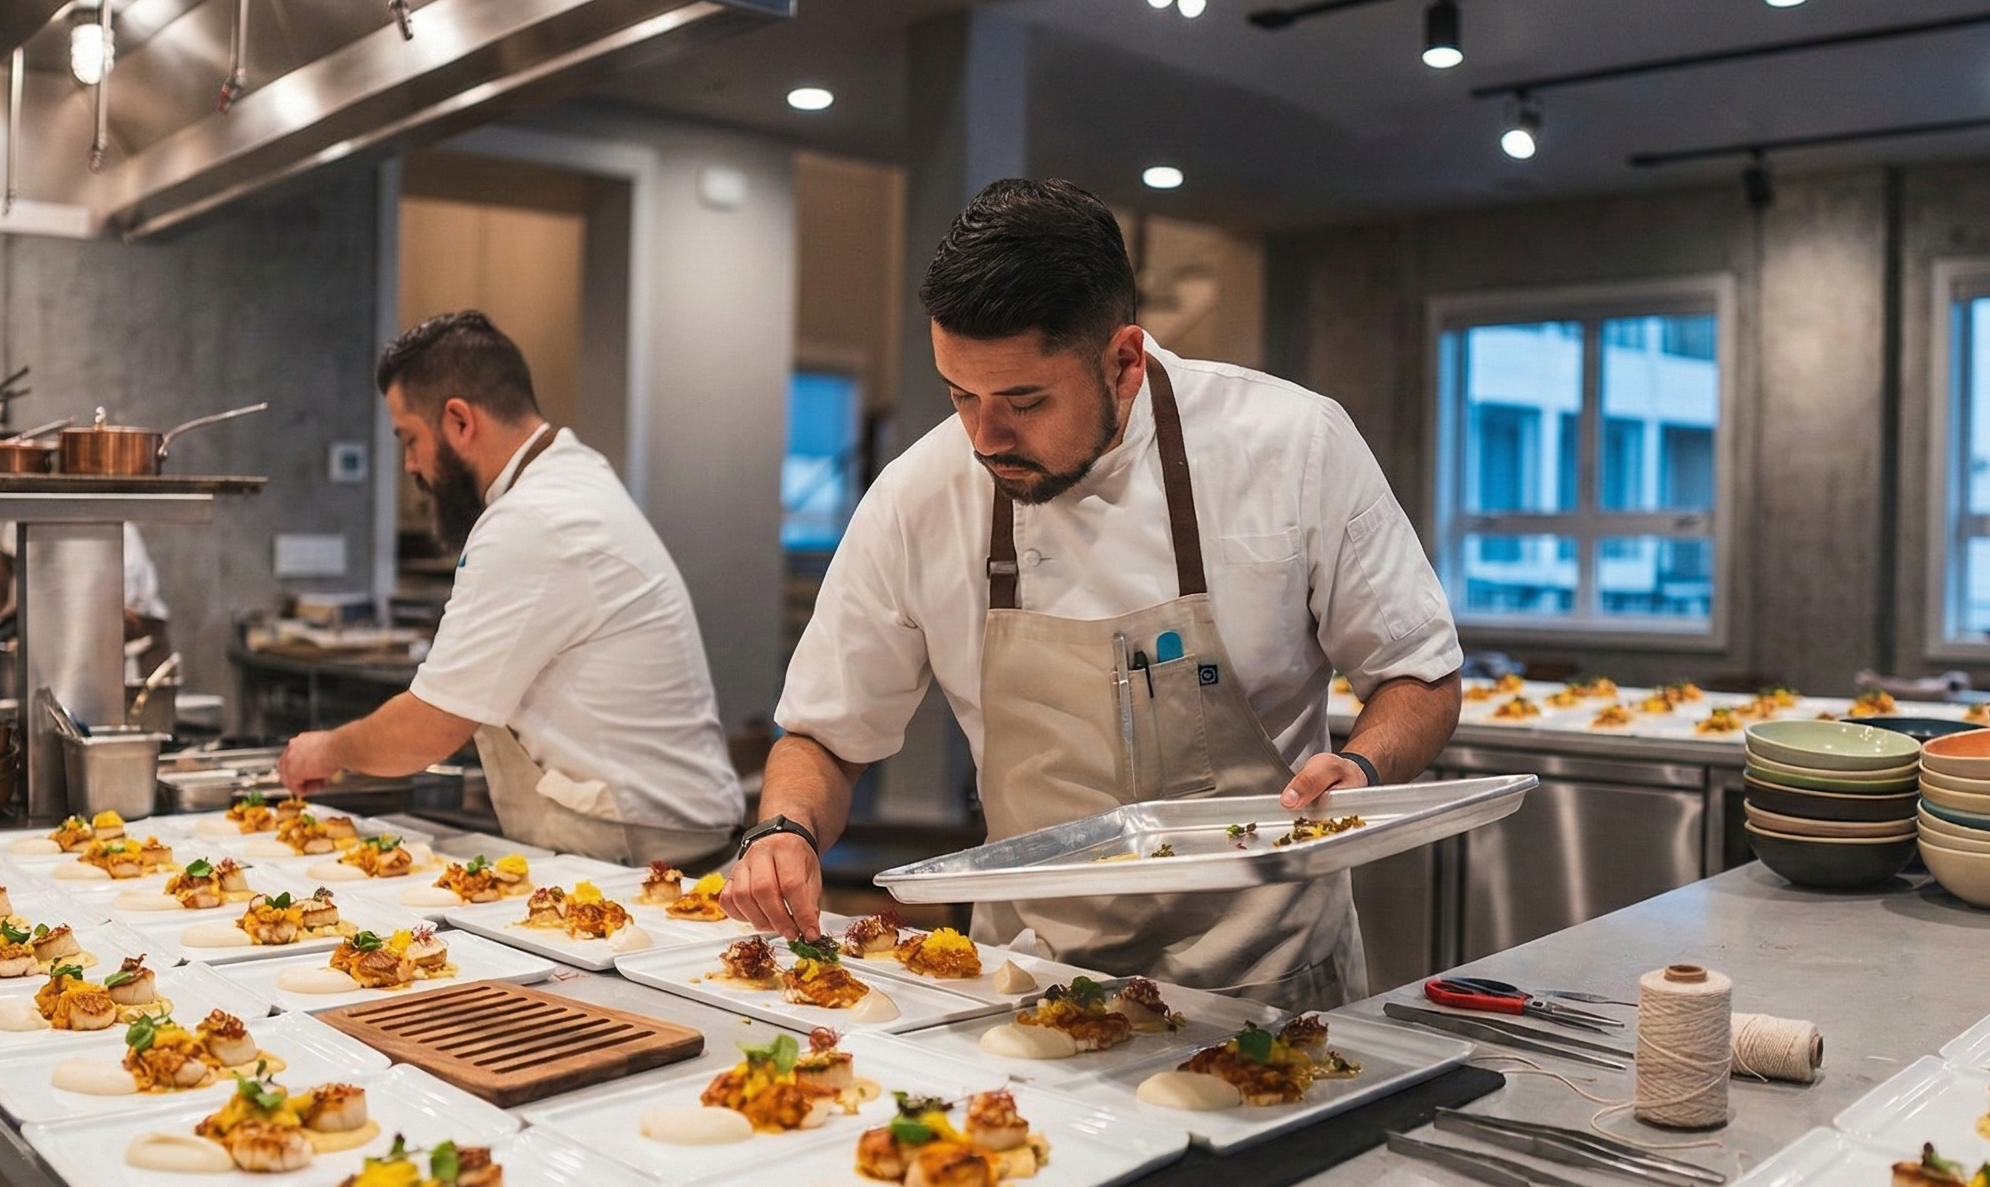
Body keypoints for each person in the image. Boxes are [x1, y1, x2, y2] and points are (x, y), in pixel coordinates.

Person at [723, 180, 1462, 1011]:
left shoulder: (1291, 445)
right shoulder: (918, 495)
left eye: (1025, 400)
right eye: (960, 395)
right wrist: (784, 829)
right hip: (1031, 984)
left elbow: (1420, 675)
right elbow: (825, 735)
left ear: (1124, 360)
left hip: (1269, 978)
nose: (984, 438)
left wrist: (1362, 767)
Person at [277, 311, 743, 867]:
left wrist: (326, 749)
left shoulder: (533, 518)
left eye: (410, 439)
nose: (410, 466)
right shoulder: (569, 478)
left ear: (459, 422)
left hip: (643, 855)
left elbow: (428, 728)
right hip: (652, 838)